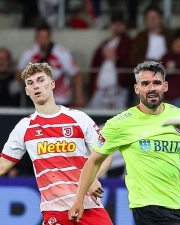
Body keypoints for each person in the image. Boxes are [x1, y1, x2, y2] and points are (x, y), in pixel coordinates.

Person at [68, 61, 180, 225]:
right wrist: (79, 199)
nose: (151, 88)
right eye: (145, 83)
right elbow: (94, 161)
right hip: (148, 208)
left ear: (165, 86)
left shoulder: (179, 116)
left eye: (156, 83)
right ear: (137, 88)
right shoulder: (120, 124)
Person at [0, 62, 113, 225]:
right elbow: (3, 166)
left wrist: (91, 178)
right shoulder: (24, 127)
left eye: (40, 80)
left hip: (89, 206)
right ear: (26, 91)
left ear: (52, 84)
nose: (36, 86)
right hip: (55, 211)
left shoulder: (79, 118)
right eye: (30, 83)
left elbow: (106, 155)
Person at [15, 22, 85, 108]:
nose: (43, 41)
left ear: (50, 38)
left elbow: (76, 74)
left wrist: (79, 97)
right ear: (36, 38)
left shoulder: (61, 53)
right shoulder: (29, 53)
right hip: (36, 100)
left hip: (60, 98)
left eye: (45, 37)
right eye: (40, 37)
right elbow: (18, 72)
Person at [88, 12, 133, 110]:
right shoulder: (105, 44)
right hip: (100, 89)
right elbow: (94, 66)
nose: (117, 26)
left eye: (120, 24)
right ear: (111, 25)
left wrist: (117, 58)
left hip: (118, 89)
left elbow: (132, 64)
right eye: (114, 23)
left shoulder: (128, 43)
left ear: (124, 26)